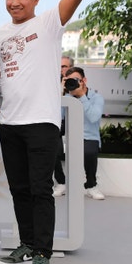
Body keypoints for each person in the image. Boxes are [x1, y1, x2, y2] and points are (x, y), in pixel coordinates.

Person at [0, 0, 85, 264]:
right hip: (10, 122)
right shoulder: (0, 33)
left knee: (41, 190)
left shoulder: (47, 23)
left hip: (42, 123)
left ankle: (43, 254)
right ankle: (27, 244)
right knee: (20, 190)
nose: (14, 2)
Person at [63, 67, 105, 200]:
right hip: (69, 137)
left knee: (89, 151)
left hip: (89, 137)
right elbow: (57, 118)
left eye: (76, 80)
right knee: (50, 147)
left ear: (84, 80)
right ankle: (60, 183)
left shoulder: (96, 98)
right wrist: (60, 92)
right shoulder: (66, 97)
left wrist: (81, 96)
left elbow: (93, 117)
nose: (73, 83)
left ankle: (91, 185)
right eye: (69, 80)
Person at [53, 55, 74, 197]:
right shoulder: (52, 82)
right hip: (56, 125)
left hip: (73, 124)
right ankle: (61, 181)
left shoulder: (74, 83)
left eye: (64, 66)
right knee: (52, 147)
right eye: (60, 66)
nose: (62, 69)